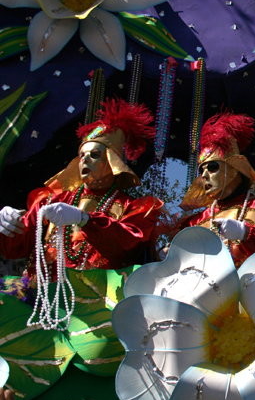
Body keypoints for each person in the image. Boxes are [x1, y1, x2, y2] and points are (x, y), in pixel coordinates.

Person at [0, 99, 162, 274]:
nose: (84, 159)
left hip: (100, 298)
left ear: (112, 162)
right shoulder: (51, 201)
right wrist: (8, 224)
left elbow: (125, 247)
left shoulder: (135, 208)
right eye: (81, 155)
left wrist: (84, 219)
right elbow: (13, 248)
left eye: (94, 154)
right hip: (45, 295)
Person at [178, 111, 255, 267]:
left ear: (234, 170)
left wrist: (247, 234)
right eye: (201, 171)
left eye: (213, 167)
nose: (204, 176)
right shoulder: (193, 223)